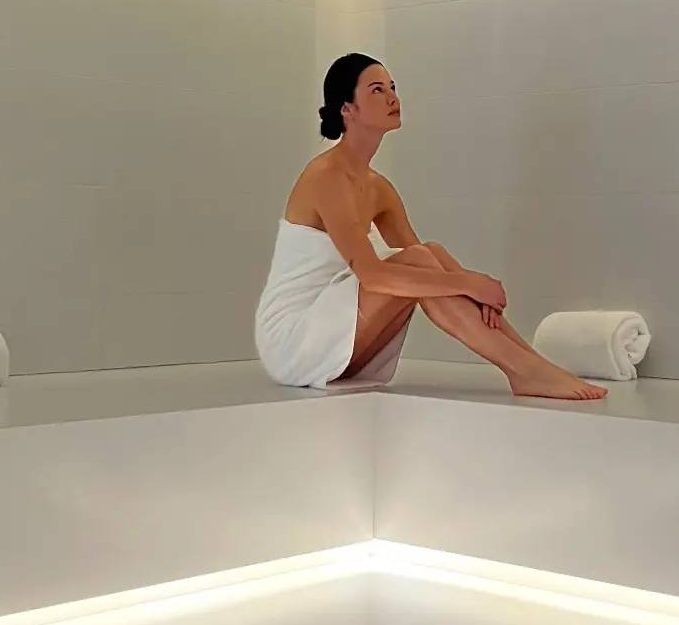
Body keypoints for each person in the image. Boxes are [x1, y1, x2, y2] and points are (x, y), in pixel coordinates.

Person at [254, 53, 608, 400]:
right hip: (292, 341)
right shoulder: (327, 177)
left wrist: (474, 290)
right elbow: (374, 276)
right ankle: (524, 370)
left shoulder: (378, 189)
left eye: (393, 87)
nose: (393, 97)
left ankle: (533, 365)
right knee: (423, 261)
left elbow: (427, 265)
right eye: (377, 90)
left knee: (429, 253)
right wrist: (469, 282)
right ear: (348, 109)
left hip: (336, 338)